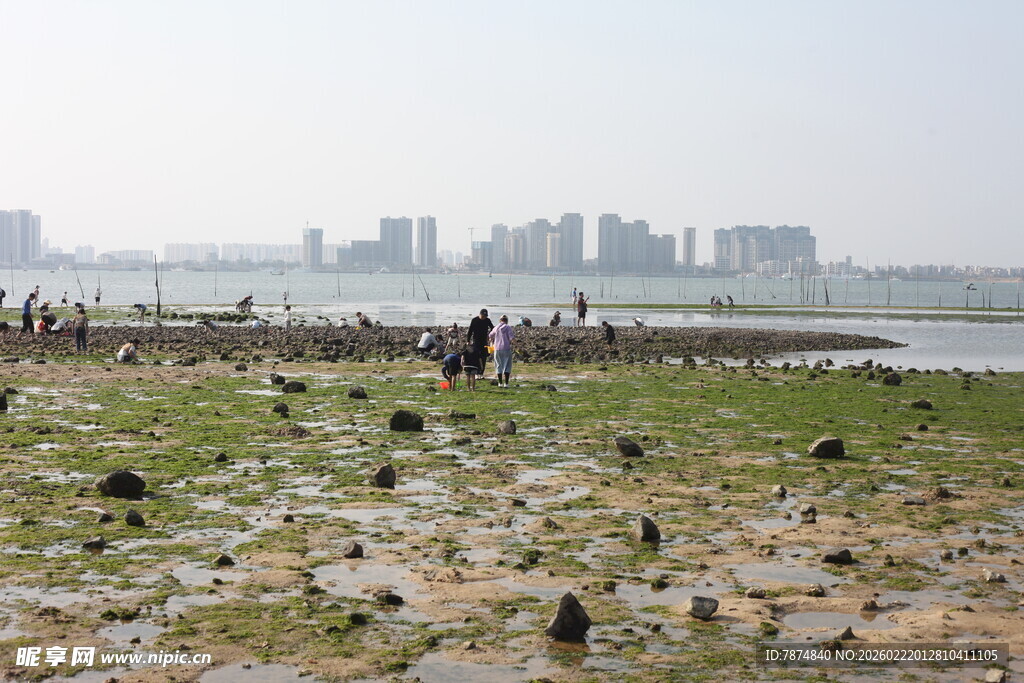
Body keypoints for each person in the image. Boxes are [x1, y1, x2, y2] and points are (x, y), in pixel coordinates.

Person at [488, 314, 515, 388]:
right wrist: (517, 346)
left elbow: (490, 335)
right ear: (506, 321)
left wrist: (491, 341)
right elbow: (511, 338)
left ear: (500, 320)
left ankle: (500, 383)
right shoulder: (508, 327)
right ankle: (506, 383)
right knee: (507, 366)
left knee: (498, 365)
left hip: (497, 349)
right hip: (506, 349)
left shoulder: (496, 327)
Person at [468, 308, 493, 377]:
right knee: (476, 357)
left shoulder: (487, 320)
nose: (484, 317)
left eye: (485, 316)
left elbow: (492, 328)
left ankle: (481, 373)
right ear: (480, 314)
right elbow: (470, 331)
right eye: (483, 316)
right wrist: (468, 340)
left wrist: (490, 336)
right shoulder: (474, 320)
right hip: (476, 341)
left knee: (483, 357)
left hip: (484, 341)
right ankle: (476, 372)